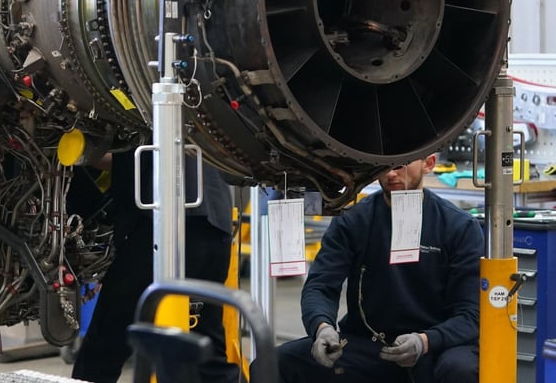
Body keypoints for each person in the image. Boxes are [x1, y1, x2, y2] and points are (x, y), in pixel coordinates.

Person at [274, 153, 482, 383]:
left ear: (429, 163)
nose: (391, 174)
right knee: (274, 363)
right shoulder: (354, 220)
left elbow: (472, 313)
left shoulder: (459, 226)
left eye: (400, 165)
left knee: (460, 369)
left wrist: (425, 341)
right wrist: (322, 327)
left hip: (435, 347)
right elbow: (320, 286)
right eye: (383, 166)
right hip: (370, 344)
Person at [71, 150, 241, 383]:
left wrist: (81, 154)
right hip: (215, 226)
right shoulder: (198, 127)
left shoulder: (148, 123)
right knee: (209, 350)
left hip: (159, 228)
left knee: (102, 349)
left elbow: (114, 157)